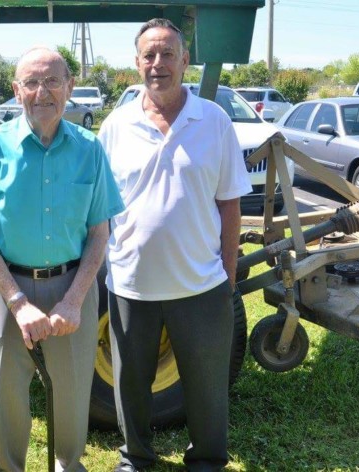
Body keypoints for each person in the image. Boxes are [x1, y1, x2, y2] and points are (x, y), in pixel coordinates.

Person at [0, 46, 124, 472]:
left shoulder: (90, 149)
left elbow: (99, 235)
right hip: (6, 286)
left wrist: (73, 300)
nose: (42, 92)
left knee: (72, 393)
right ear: (16, 90)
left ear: (69, 86)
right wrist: (18, 302)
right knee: (6, 394)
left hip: (73, 285)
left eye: (52, 81)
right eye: (31, 82)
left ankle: (68, 465)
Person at [97, 19, 252, 472]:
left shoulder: (214, 121)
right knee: (131, 382)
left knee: (207, 385)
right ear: (137, 63)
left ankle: (207, 460)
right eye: (149, 55)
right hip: (131, 285)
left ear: (185, 61)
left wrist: (227, 275)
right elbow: (101, 206)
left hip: (200, 285)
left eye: (168, 54)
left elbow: (229, 205)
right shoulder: (116, 125)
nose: (158, 63)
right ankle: (136, 457)